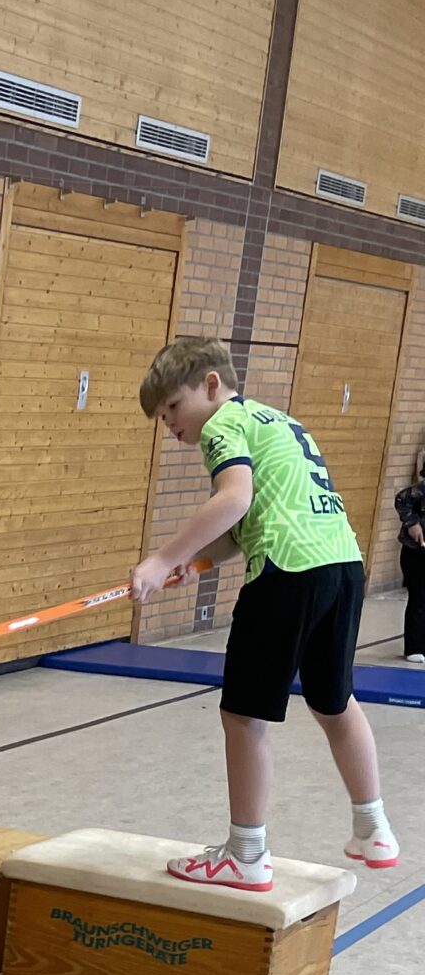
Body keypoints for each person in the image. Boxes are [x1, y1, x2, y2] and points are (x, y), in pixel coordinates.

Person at [130, 336, 397, 889]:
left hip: (287, 572)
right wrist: (198, 560)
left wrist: (162, 559)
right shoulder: (277, 421)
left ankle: (246, 853)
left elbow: (234, 500)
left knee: (243, 714)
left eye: (173, 407)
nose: (170, 423)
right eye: (161, 417)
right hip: (341, 566)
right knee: (334, 701)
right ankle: (373, 827)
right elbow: (248, 522)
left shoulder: (222, 425)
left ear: (211, 385)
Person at [397, 446, 425, 665]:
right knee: (419, 598)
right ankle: (414, 648)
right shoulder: (420, 491)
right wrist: (412, 523)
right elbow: (401, 499)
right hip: (417, 553)